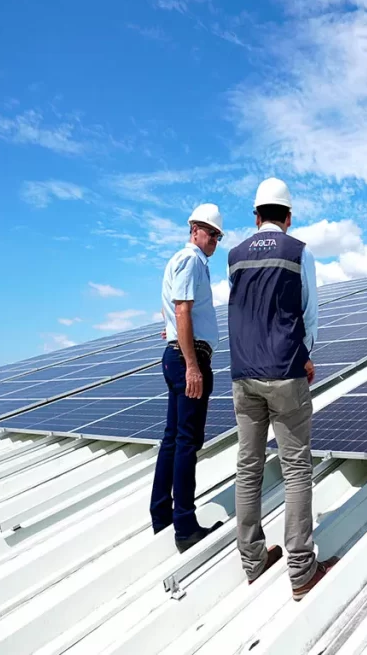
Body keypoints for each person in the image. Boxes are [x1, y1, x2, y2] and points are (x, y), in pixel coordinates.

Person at [228, 177, 338, 601]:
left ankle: (253, 559)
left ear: (256, 217)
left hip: (243, 374)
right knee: (296, 470)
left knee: (248, 467)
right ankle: (300, 568)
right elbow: (309, 312)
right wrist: (305, 354)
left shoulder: (235, 257)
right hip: (285, 372)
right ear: (288, 218)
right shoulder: (297, 252)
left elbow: (244, 309)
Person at [151, 203, 225, 553]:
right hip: (188, 360)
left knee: (172, 439)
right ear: (194, 229)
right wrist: (193, 366)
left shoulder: (185, 261)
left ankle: (162, 516)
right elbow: (181, 309)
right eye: (211, 233)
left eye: (218, 236)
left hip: (180, 356)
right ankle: (184, 526)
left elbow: (172, 310)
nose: (214, 240)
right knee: (186, 442)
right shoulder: (191, 259)